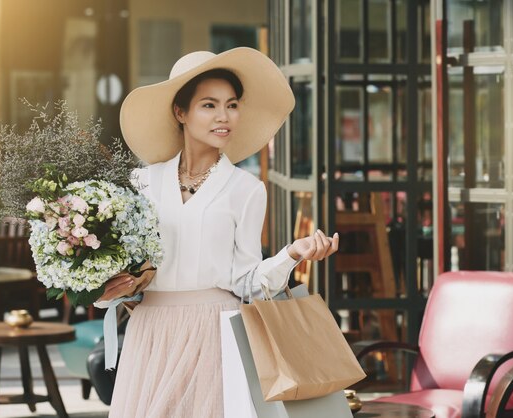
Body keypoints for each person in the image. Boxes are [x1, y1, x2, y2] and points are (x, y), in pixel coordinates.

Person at [96, 47, 339, 418]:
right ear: (181, 112)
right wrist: (104, 283)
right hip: (151, 333)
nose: (224, 117)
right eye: (209, 105)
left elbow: (246, 283)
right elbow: (119, 265)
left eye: (232, 105)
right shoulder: (141, 182)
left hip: (215, 333)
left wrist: (292, 253)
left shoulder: (246, 189)